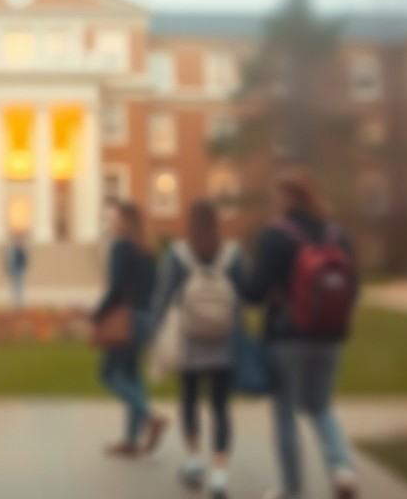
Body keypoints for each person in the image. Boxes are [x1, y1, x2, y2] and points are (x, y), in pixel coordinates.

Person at [231, 169, 360, 499]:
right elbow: (353, 287)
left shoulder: (275, 235)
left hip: (288, 337)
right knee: (320, 406)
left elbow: (255, 293)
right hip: (331, 336)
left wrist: (238, 273)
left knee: (285, 412)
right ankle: (342, 469)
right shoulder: (336, 234)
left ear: (284, 197)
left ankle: (291, 488)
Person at [150, 199, 239, 498]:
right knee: (221, 407)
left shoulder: (178, 255)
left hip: (189, 341)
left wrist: (153, 333)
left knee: (189, 400)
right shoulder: (231, 255)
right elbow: (248, 293)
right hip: (224, 342)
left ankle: (193, 461)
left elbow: (162, 297)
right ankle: (220, 475)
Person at [91, 200, 167, 458]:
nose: (112, 223)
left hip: (127, 319)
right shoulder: (148, 248)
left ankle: (149, 416)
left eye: (115, 218)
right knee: (133, 376)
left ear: (124, 221)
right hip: (146, 319)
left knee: (109, 374)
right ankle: (131, 442)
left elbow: (116, 289)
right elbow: (156, 287)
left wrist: (96, 315)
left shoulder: (121, 247)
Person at [7, 233, 29, 310]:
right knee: (14, 286)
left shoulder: (21, 250)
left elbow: (24, 259)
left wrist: (23, 267)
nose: (18, 242)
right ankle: (14, 301)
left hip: (19, 269)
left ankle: (19, 301)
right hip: (14, 269)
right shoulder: (12, 250)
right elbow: (9, 260)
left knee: (19, 286)